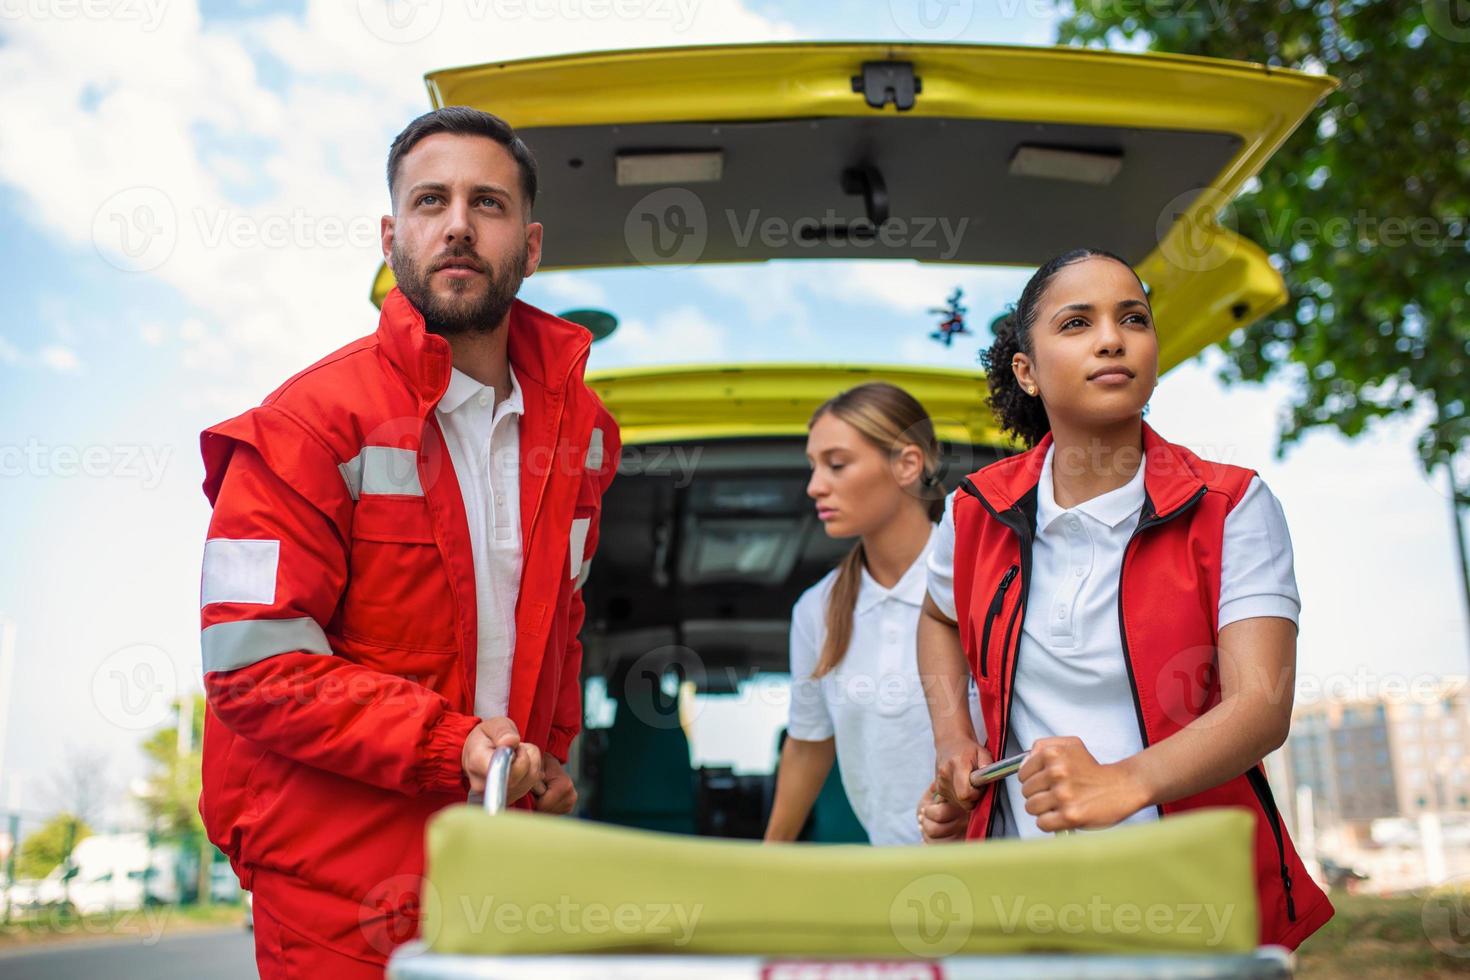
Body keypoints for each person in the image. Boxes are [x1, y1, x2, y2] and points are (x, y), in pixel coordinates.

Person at [196, 107, 621, 977]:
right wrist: (451, 746)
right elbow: (252, 666)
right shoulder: (306, 424)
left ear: (531, 246)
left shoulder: (582, 435)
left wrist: (557, 750)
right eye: (432, 201)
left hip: (500, 867)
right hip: (336, 886)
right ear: (393, 237)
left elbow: (560, 620)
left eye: (488, 204)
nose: (458, 224)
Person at [914, 248, 1332, 949]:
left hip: (1192, 902)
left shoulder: (1232, 504)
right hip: (1016, 907)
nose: (1112, 337)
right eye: (1077, 323)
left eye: (1132, 318)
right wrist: (954, 739)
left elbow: (1260, 706)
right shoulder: (972, 512)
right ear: (1027, 369)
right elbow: (935, 617)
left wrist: (1124, 782)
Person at [764, 383, 976, 845]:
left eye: (836, 465)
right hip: (894, 875)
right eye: (814, 467)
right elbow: (808, 745)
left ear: (907, 464)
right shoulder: (815, 610)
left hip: (1001, 868)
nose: (814, 486)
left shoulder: (976, 577)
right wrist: (767, 860)